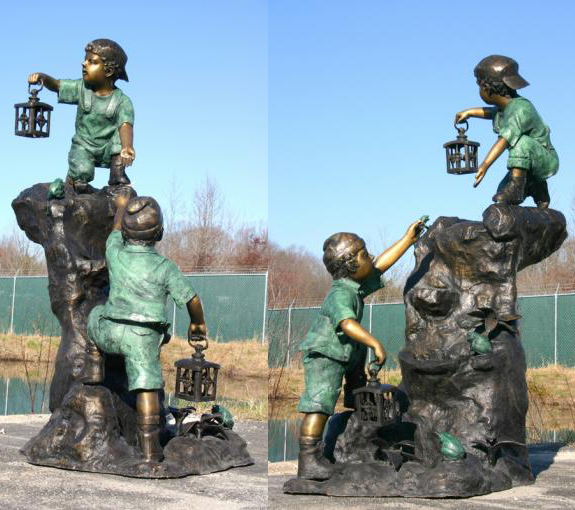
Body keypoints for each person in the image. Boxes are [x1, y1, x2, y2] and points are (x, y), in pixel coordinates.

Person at [296, 221, 424, 480]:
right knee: (319, 405)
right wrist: (374, 343)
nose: (371, 257)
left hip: (346, 352)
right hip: (326, 355)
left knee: (358, 386)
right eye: (364, 254)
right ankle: (309, 459)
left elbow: (380, 266)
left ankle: (357, 419)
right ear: (351, 264)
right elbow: (347, 323)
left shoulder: (353, 285)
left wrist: (407, 239)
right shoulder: (340, 293)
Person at [86, 193, 207, 463]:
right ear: (160, 233)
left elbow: (115, 231)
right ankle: (150, 449)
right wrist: (198, 324)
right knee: (147, 389)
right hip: (143, 338)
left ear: (127, 232)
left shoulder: (115, 253)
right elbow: (192, 298)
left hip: (111, 333)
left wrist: (120, 208)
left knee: (93, 315)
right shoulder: (165, 268)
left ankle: (95, 362)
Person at [28, 39, 135, 193]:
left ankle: (117, 175)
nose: (84, 64)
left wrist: (127, 146)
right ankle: (78, 181)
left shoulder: (122, 101)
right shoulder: (81, 88)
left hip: (108, 148)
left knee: (119, 139)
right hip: (83, 146)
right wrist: (43, 78)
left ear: (109, 71)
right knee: (81, 174)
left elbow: (125, 125)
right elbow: (57, 85)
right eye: (85, 60)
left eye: (92, 61)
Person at [455, 55, 558, 208]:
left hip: (545, 159)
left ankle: (518, 187)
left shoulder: (521, 109)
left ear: (487, 88)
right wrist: (470, 112)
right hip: (527, 161)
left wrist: (484, 165)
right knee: (501, 193)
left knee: (520, 142)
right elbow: (492, 112)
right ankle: (538, 189)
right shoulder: (505, 108)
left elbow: (504, 139)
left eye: (479, 86)